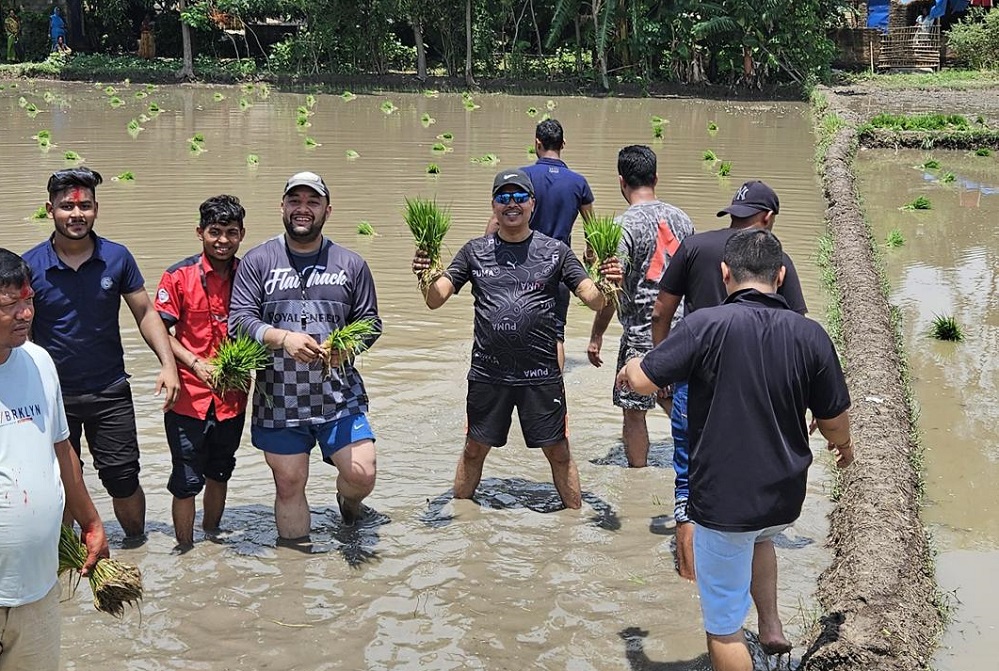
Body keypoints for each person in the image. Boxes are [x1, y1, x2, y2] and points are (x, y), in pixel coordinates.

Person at [618, 229, 853, 671]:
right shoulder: (811, 334)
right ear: (780, 276)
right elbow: (834, 420)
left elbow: (646, 379)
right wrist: (845, 448)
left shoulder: (704, 324)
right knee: (762, 537)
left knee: (723, 626)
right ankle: (770, 626)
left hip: (725, 501)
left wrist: (630, 368)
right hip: (784, 497)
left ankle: (749, 634)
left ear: (726, 274)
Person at [414, 169, 622, 510]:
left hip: (541, 376)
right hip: (488, 374)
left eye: (519, 197)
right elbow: (436, 299)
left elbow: (594, 298)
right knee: (473, 448)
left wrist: (609, 278)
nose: (512, 204)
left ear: (532, 204)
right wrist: (426, 272)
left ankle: (574, 517)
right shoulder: (474, 252)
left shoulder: (556, 252)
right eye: (504, 197)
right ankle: (460, 516)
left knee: (558, 451)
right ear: (494, 206)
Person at [651, 180, 808, 580]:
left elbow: (660, 313)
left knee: (688, 483)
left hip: (695, 384)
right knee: (755, 479)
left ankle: (689, 579)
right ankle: (762, 612)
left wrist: (664, 370)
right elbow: (797, 331)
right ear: (768, 217)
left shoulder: (695, 247)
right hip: (760, 391)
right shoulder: (777, 261)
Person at [22, 167, 180, 541]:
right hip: (52, 397)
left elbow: (144, 312)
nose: (77, 215)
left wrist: (168, 365)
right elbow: (20, 333)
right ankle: (64, 560)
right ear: (50, 209)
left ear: (96, 209)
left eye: (85, 206)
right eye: (67, 207)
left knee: (123, 479)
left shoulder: (117, 257)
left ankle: (136, 545)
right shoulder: (30, 266)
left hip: (110, 392)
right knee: (57, 485)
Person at [229, 171, 381, 539]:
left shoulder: (350, 264)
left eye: (312, 202)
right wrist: (282, 338)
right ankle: (295, 571)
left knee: (362, 473)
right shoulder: (258, 261)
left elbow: (371, 323)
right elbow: (239, 319)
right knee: (289, 484)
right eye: (295, 201)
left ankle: (349, 504)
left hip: (338, 396)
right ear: (282, 207)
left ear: (327, 210)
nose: (303, 209)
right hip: (279, 399)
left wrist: (348, 348)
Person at [0, 248, 109, 671]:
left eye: (28, 300)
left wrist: (92, 522)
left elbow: (62, 451)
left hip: (37, 586)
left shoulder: (40, 361)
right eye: (10, 305)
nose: (25, 314)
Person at [586, 145, 694, 468]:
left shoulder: (622, 227)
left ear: (621, 181)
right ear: (656, 177)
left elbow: (612, 290)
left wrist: (596, 335)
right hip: (682, 330)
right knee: (675, 400)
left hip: (640, 334)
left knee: (634, 411)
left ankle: (637, 477)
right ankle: (700, 462)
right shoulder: (683, 220)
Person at [154, 195, 248, 548]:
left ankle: (211, 539)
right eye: (215, 232)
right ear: (200, 232)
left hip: (233, 398)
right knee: (186, 479)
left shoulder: (249, 276)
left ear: (242, 235)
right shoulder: (178, 277)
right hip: (188, 398)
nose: (223, 240)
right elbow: (158, 329)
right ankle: (185, 548)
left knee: (220, 471)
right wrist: (194, 363)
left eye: (231, 232)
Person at [485, 119, 595, 370]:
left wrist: (485, 255)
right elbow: (593, 227)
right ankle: (556, 392)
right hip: (559, 268)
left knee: (512, 324)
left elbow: (495, 221)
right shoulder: (578, 183)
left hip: (519, 264)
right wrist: (590, 255)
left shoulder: (521, 178)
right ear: (563, 144)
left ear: (537, 143)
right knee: (556, 335)